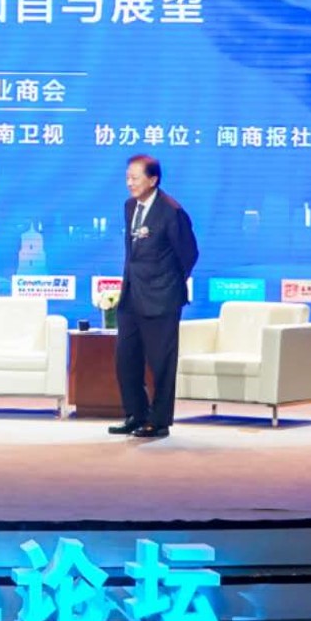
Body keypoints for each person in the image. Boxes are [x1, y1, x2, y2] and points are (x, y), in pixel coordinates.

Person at [111, 153, 199, 440]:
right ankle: (135, 414)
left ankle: (158, 421)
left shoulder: (171, 211)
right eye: (127, 178)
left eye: (135, 178)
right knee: (126, 359)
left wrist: (168, 284)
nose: (129, 183)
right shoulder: (130, 207)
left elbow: (189, 254)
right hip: (131, 296)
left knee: (161, 364)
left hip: (162, 298)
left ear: (153, 180)